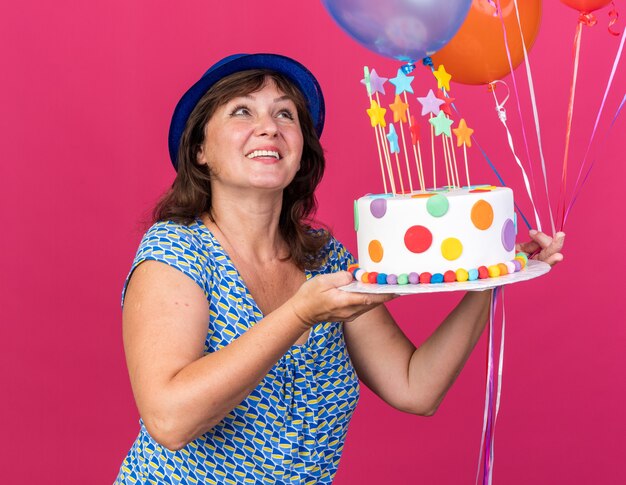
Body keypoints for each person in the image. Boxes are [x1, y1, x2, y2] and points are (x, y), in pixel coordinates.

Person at [115, 53, 564, 484]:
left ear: (301, 149)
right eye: (241, 112)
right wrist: (299, 314)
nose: (268, 127)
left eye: (286, 114)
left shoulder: (323, 259)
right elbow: (169, 420)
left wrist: (490, 276)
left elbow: (415, 387)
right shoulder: (177, 251)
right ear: (199, 150)